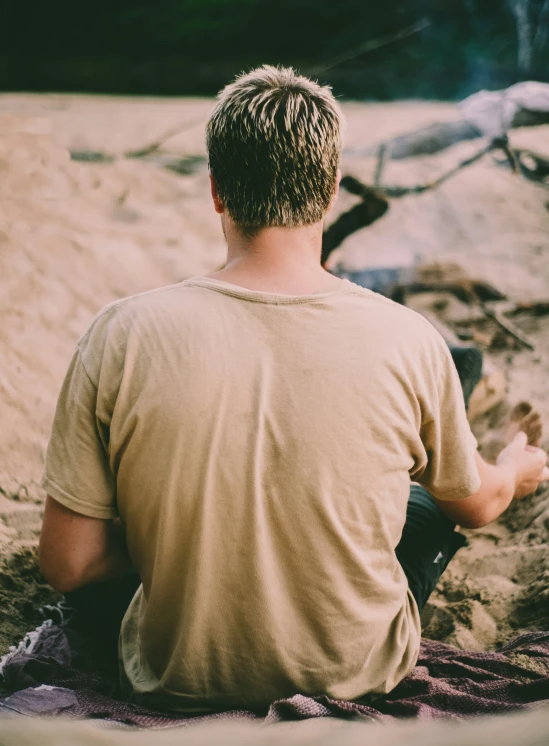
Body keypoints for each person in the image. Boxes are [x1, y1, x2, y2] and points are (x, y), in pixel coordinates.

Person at [38, 66, 549, 713]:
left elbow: (70, 564)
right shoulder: (405, 335)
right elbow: (476, 507)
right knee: (425, 499)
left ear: (217, 192)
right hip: (357, 668)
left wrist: (180, 548)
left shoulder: (118, 332)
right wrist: (513, 468)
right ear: (331, 190)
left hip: (176, 676)